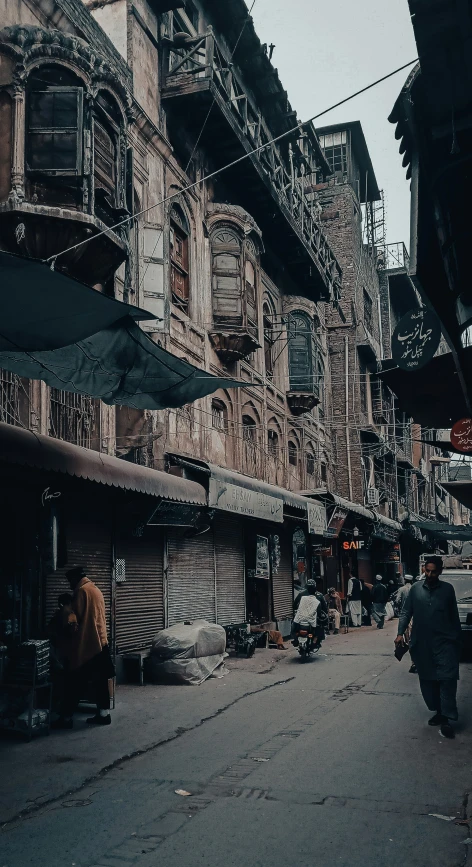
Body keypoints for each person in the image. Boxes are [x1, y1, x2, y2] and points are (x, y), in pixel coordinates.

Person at [395, 556, 462, 739]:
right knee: (428, 680)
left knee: (447, 679)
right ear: (424, 570)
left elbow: (454, 617)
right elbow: (406, 612)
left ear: (440, 571)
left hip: (446, 643)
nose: (430, 574)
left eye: (433, 571)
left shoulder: (447, 590)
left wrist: (458, 641)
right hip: (422, 644)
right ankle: (439, 710)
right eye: (427, 571)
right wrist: (400, 633)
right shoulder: (416, 589)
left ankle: (447, 717)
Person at [52, 566, 114, 730]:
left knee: (74, 683)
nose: (70, 585)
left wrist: (65, 613)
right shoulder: (96, 590)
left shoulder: (81, 592)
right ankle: (104, 714)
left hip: (87, 646)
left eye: (70, 581)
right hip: (101, 643)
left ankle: (65, 718)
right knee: (100, 682)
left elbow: (74, 623)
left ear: (75, 579)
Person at [293, 579, 328, 648]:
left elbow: (294, 605)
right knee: (319, 627)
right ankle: (315, 641)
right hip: (312, 620)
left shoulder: (302, 596)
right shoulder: (318, 598)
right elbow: (323, 609)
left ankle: (295, 639)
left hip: (300, 619)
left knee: (293, 625)